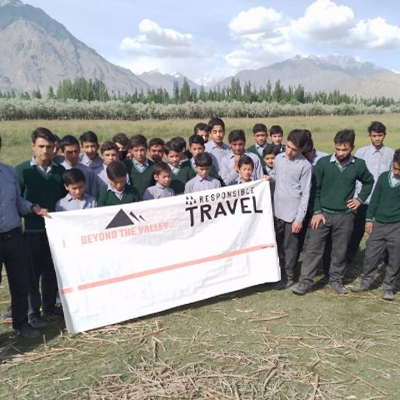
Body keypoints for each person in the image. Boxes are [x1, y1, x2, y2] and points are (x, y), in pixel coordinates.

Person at [292, 129, 374, 296]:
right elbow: (315, 189)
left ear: (353, 147)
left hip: (345, 216)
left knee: (339, 250)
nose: (340, 153)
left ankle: (335, 279)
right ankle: (305, 282)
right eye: (337, 149)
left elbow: (369, 181)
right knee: (313, 249)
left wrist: (359, 200)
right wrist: (316, 211)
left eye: (345, 150)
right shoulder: (323, 163)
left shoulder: (358, 164)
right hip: (322, 215)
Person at [16, 127, 66, 329]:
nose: (45, 151)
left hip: (54, 231)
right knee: (32, 273)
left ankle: (49, 306)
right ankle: (32, 313)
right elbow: (18, 199)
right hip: (33, 230)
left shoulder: (60, 171)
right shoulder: (22, 171)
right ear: (33, 146)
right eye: (41, 146)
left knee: (51, 270)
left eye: (49, 146)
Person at [0, 134, 48, 339]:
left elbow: (18, 201)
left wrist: (32, 208)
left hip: (14, 237)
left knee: (21, 282)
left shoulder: (8, 172)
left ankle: (21, 324)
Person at [351, 150, 400, 301]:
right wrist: (368, 219)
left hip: (396, 226)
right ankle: (366, 282)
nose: (397, 172)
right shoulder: (383, 178)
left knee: (395, 258)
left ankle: (389, 286)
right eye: (396, 168)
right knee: (371, 254)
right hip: (378, 223)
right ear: (392, 163)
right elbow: (375, 200)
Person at [346, 121, 394, 266]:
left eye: (380, 135)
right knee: (356, 233)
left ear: (384, 135)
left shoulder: (390, 154)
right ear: (369, 136)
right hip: (363, 200)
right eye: (374, 136)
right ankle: (346, 261)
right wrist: (355, 197)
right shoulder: (362, 152)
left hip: (381, 201)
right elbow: (354, 176)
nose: (377, 139)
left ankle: (386, 262)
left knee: (383, 233)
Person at [271, 129, 312, 290]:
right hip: (277, 210)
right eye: (287, 147)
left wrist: (299, 219)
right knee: (278, 244)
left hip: (292, 214)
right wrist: (269, 178)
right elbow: (277, 176)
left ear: (301, 149)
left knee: (291, 247)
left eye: (294, 149)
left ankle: (288, 276)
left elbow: (306, 193)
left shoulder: (305, 166)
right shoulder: (279, 159)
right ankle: (278, 272)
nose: (289, 151)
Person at [124, 134, 155, 199]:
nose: (139, 154)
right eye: (136, 150)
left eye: (142, 150)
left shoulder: (153, 166)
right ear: (131, 150)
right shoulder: (126, 165)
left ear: (146, 149)